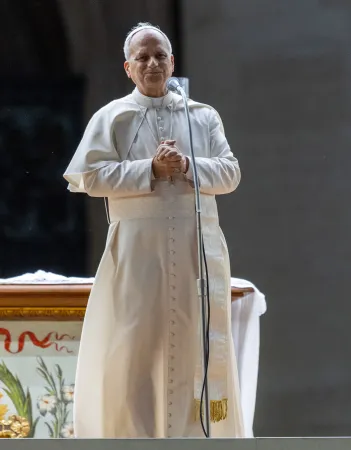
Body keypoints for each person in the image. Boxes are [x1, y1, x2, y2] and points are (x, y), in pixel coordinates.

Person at [63, 22, 244, 438]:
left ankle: (196, 437)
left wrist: (183, 166)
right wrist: (149, 169)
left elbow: (230, 173)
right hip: (138, 249)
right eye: (142, 58)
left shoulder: (203, 116)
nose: (152, 64)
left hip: (197, 247)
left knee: (196, 344)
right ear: (128, 68)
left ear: (172, 62)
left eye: (160, 55)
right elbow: (86, 176)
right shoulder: (113, 117)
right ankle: (134, 439)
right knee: (134, 346)